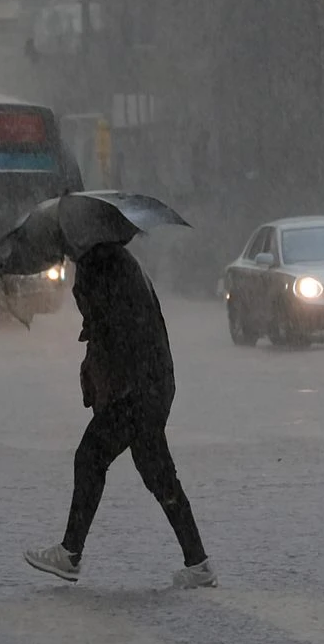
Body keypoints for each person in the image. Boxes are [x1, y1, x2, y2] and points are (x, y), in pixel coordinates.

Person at [23, 241, 216, 588]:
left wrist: (98, 366)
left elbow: (110, 326)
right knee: (158, 474)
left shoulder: (100, 265)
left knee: (90, 457)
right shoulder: (119, 261)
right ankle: (198, 562)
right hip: (154, 383)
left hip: (135, 391)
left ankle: (70, 552)